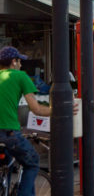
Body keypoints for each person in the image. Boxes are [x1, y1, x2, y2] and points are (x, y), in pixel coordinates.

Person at [0, 46, 51, 196]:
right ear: (14, 62)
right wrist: (57, 110)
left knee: (6, 165)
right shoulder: (20, 76)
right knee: (32, 162)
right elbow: (36, 109)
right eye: (20, 61)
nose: (21, 64)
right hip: (9, 133)